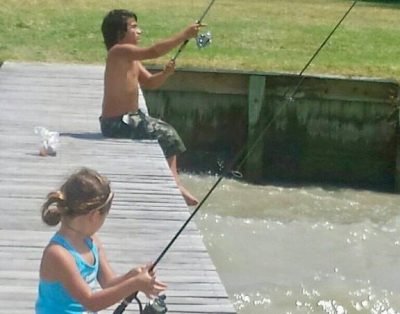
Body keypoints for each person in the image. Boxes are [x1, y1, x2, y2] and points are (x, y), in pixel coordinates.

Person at [99, 9, 201, 206]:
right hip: (116, 123)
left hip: (131, 118)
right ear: (120, 33)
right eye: (134, 27)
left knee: (167, 132)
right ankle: (175, 184)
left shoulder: (132, 59)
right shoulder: (118, 52)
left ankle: (174, 181)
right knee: (168, 134)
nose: (140, 31)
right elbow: (153, 51)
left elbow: (150, 83)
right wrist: (184, 35)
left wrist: (165, 74)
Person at [35, 167, 166, 313]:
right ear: (95, 215)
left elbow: (108, 283)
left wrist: (131, 276)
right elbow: (91, 302)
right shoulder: (59, 254)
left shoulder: (92, 241)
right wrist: (134, 284)